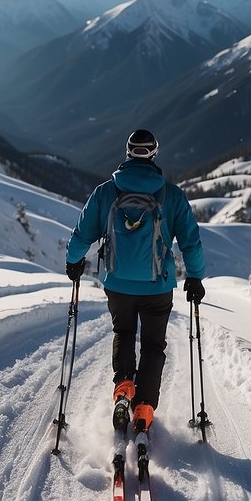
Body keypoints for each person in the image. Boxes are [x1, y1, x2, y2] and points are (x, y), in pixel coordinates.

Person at [65, 129, 206, 435]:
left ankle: (123, 388)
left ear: (127, 152)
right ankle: (144, 407)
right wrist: (195, 277)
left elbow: (83, 232)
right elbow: (191, 243)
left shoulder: (106, 192)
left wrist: (73, 261)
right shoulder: (171, 195)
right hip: (157, 287)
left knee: (124, 332)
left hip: (118, 284)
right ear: (154, 154)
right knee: (154, 345)